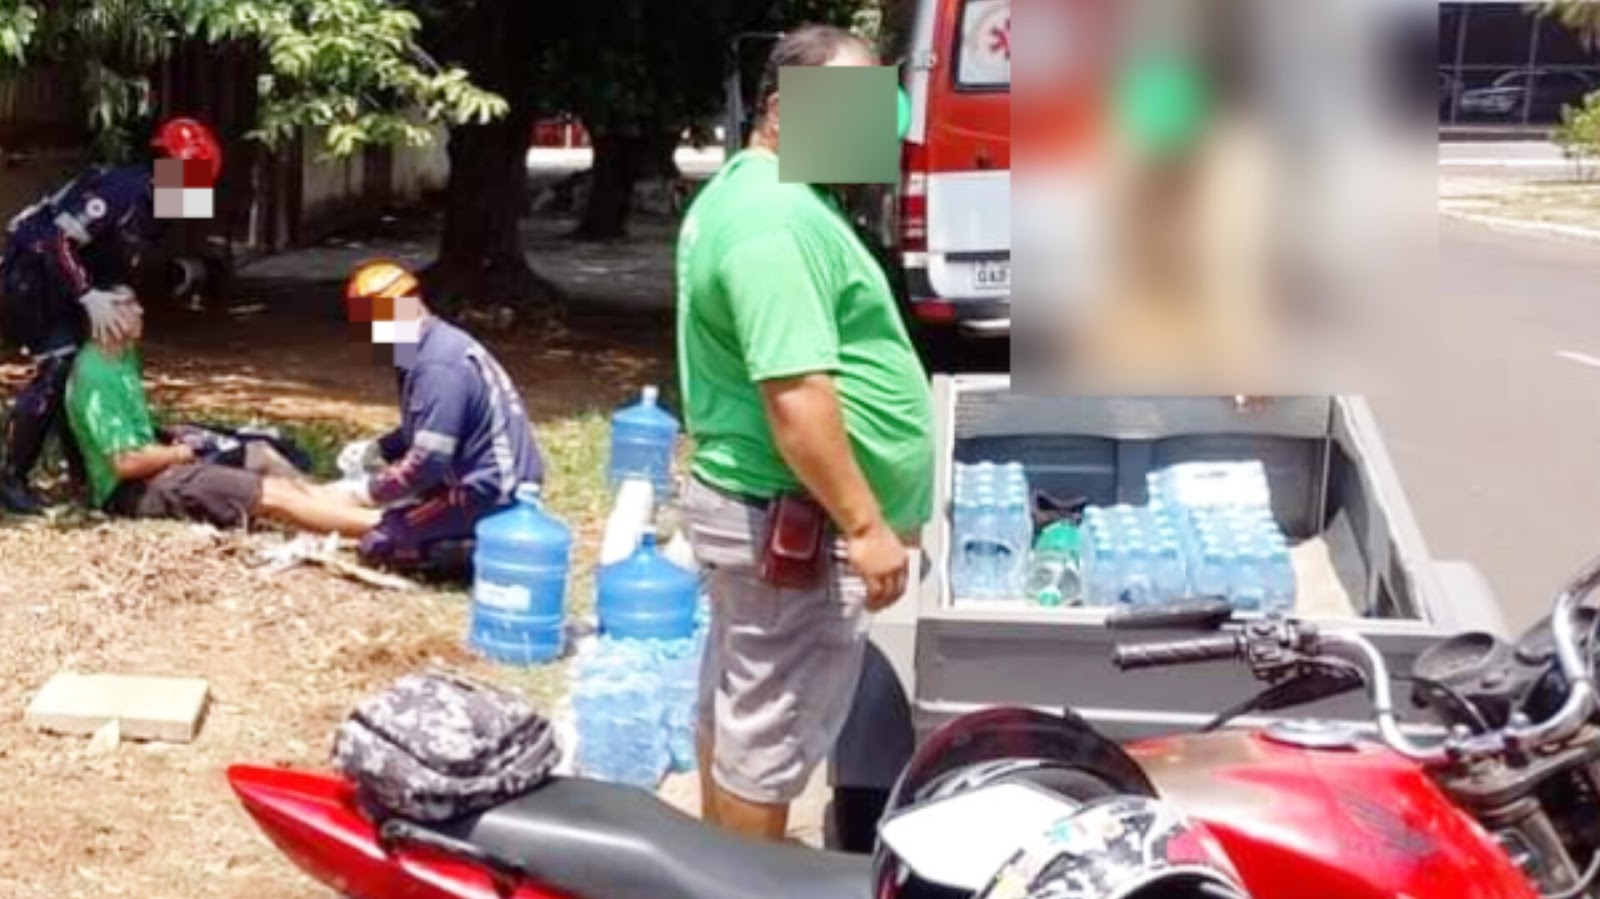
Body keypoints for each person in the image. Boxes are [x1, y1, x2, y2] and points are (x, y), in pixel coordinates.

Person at [675, 25, 936, 842]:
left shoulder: (756, 193)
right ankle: (741, 880)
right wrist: (865, 524)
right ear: (785, 111)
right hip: (792, 520)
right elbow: (795, 395)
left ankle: (720, 868)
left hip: (767, 509)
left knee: (741, 715)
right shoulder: (777, 220)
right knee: (766, 737)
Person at [0, 116, 219, 515]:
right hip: (31, 271)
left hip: (71, 281)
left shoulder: (161, 207)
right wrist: (87, 295)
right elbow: (57, 241)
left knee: (82, 365)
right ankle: (11, 477)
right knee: (58, 365)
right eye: (192, 178)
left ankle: (84, 473)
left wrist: (115, 292)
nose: (197, 191)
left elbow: (122, 258)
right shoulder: (122, 189)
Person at [64, 291, 381, 537]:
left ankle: (343, 502)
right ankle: (382, 530)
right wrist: (182, 452)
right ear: (103, 316)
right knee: (272, 494)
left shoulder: (122, 355)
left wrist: (175, 435)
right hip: (133, 490)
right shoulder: (96, 375)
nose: (141, 310)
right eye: (128, 304)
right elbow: (126, 463)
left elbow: (130, 428)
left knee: (260, 453)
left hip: (159, 465)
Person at [332, 260, 545, 575]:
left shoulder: (438, 366)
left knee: (381, 546)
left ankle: (486, 546)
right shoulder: (419, 346)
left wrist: (366, 492)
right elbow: (426, 425)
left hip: (489, 490)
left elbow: (429, 460)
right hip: (475, 477)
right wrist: (380, 448)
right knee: (393, 514)